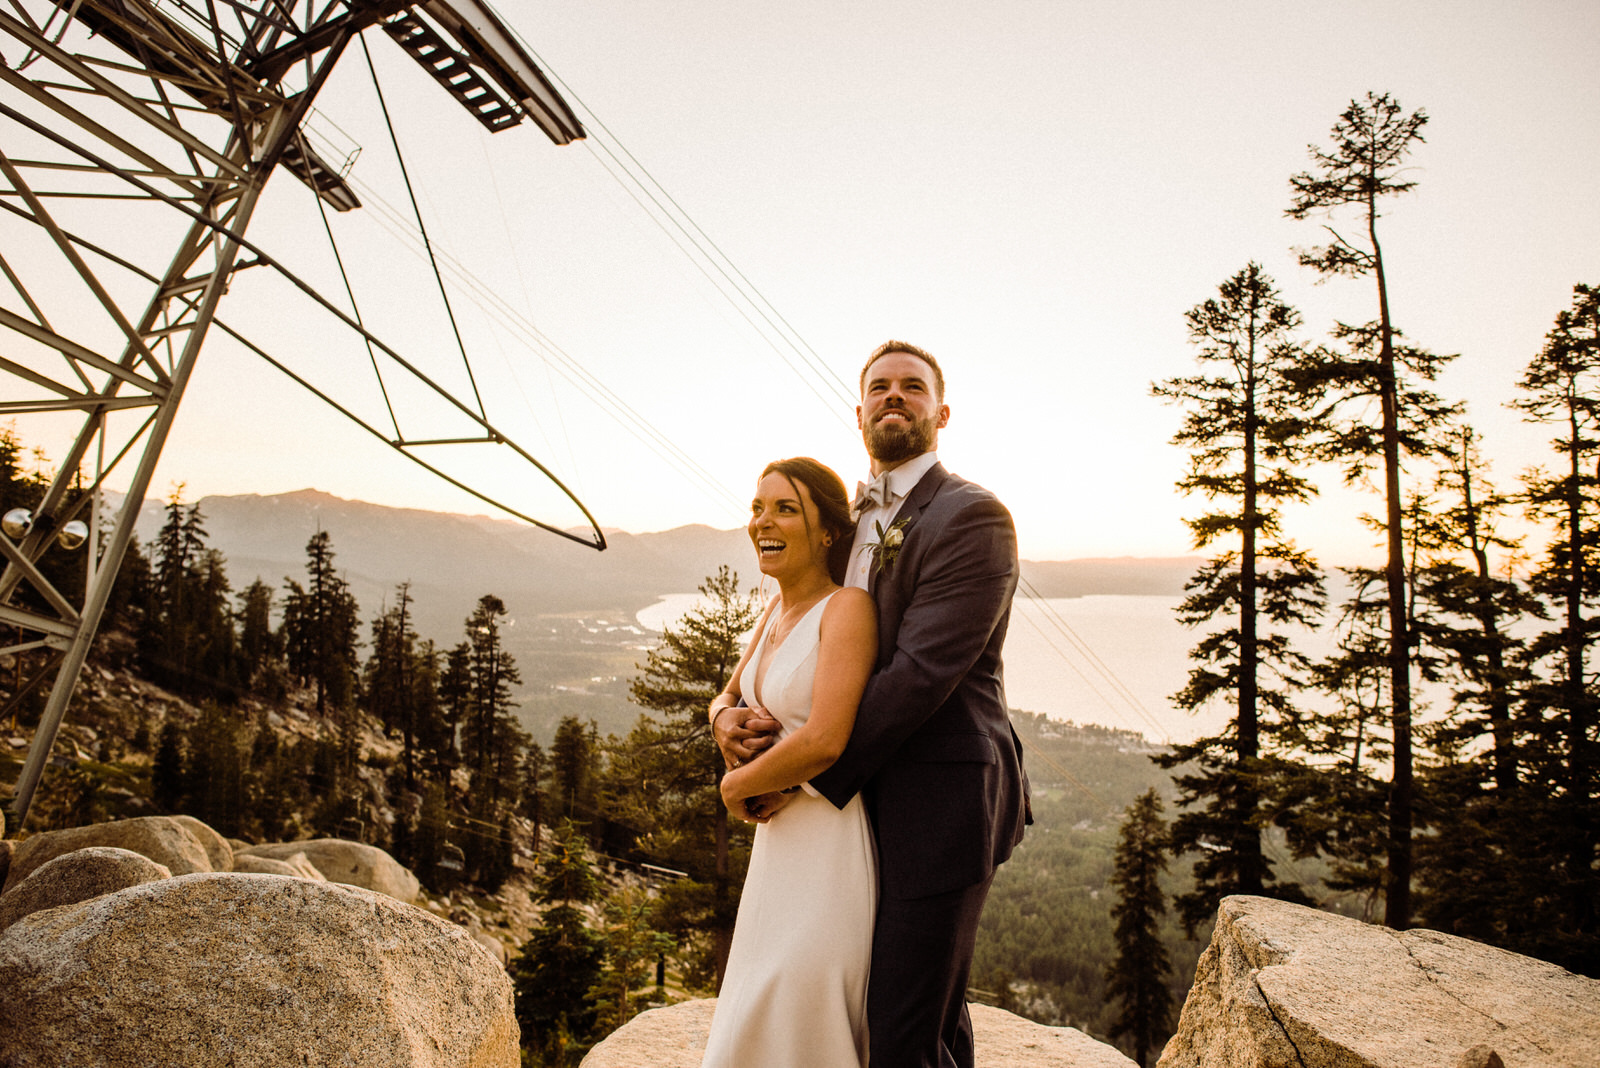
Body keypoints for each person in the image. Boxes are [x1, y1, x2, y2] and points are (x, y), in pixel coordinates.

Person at [715, 340, 1030, 1068]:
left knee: (904, 1028)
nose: (895, 397)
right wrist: (727, 716)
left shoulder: (972, 517)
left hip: (940, 802)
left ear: (941, 412)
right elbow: (791, 623)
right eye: (880, 388)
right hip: (859, 813)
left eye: (912, 388)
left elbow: (920, 674)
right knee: (909, 1015)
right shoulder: (843, 521)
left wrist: (794, 768)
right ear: (858, 414)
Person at [701, 457, 879, 1067]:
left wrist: (735, 786)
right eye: (758, 507)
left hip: (825, 845)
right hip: (774, 854)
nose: (763, 521)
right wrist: (722, 720)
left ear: (828, 531)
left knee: (803, 1005)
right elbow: (724, 695)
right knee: (755, 1006)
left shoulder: (847, 609)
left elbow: (827, 739)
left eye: (784, 508)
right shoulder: (774, 611)